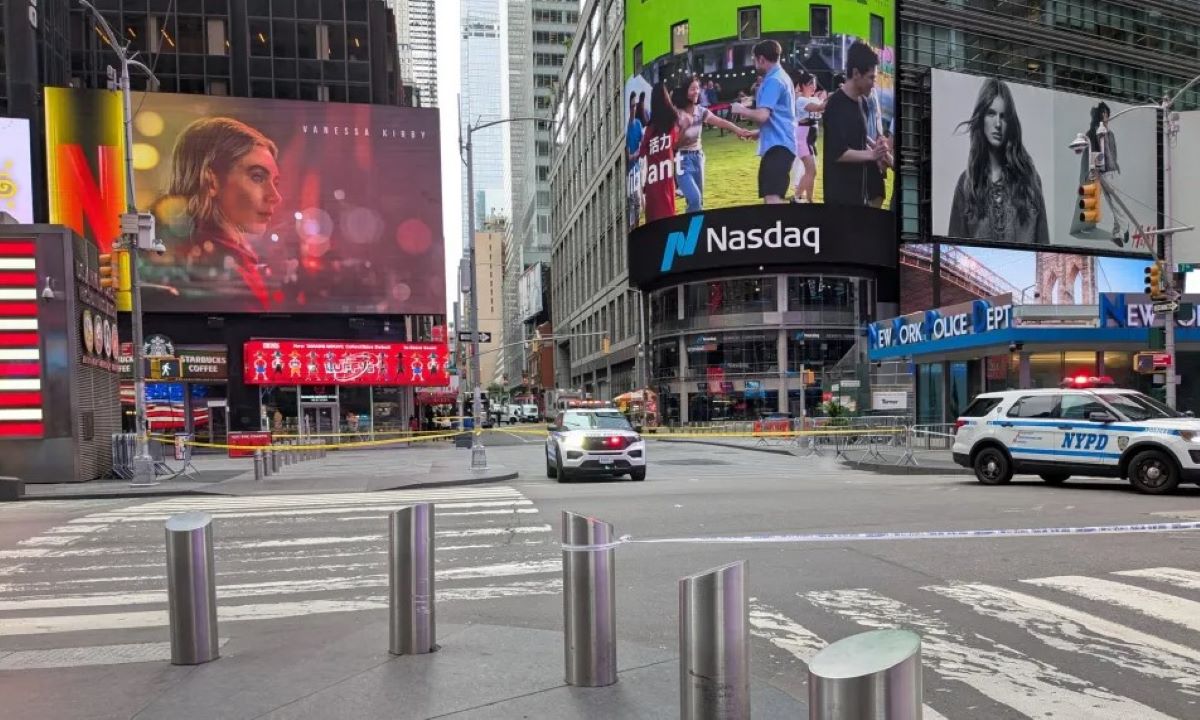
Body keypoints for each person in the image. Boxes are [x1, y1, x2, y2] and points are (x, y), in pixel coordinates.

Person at [153, 117, 283, 309]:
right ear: (211, 181)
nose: (275, 196)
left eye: (276, 182)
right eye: (257, 177)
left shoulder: (238, 260)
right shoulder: (203, 268)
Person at [948, 77, 1049, 245]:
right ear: (981, 119)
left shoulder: (1030, 180)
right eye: (991, 113)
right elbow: (953, 241)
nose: (997, 124)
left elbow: (1043, 241)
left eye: (1003, 116)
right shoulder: (966, 184)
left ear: (1010, 123)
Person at [822, 42, 891, 206]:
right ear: (856, 73)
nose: (874, 83)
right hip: (839, 199)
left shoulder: (863, 102)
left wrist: (878, 150)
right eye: (871, 77)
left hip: (859, 195)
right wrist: (872, 155)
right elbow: (838, 153)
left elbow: (859, 139)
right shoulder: (836, 105)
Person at [672, 76, 753, 213]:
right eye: (693, 89)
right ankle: (689, 230)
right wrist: (684, 127)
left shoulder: (701, 111)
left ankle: (695, 231)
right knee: (695, 199)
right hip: (682, 160)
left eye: (698, 88)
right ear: (685, 92)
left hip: (698, 158)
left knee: (699, 202)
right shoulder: (678, 115)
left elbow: (721, 122)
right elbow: (674, 145)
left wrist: (738, 130)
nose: (696, 92)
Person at [731, 39, 796, 204]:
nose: (754, 64)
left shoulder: (773, 80)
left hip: (778, 147)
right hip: (781, 144)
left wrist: (741, 110)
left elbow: (762, 115)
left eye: (754, 59)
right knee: (773, 198)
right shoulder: (781, 77)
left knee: (772, 199)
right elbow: (781, 116)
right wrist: (759, 133)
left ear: (761, 59)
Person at [637, 81, 681, 222]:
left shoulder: (651, 128)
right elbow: (675, 142)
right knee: (669, 210)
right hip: (667, 175)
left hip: (653, 178)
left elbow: (642, 150)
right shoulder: (672, 122)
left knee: (655, 215)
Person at [791, 72, 827, 203]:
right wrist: (836, 97)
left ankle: (801, 198)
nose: (813, 86)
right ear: (802, 86)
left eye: (814, 83)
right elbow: (818, 108)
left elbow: (821, 106)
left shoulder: (814, 99)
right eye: (810, 83)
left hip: (811, 140)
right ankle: (803, 198)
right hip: (804, 139)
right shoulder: (801, 100)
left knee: (810, 172)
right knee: (811, 171)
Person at [626, 92, 646, 227]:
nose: (634, 108)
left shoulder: (638, 124)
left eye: (635, 106)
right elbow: (628, 156)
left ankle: (635, 227)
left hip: (637, 169)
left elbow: (643, 142)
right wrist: (637, 153)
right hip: (628, 171)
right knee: (632, 202)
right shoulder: (626, 128)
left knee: (637, 202)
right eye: (632, 106)